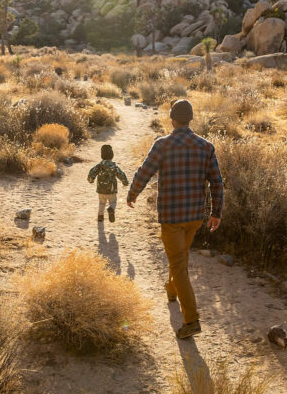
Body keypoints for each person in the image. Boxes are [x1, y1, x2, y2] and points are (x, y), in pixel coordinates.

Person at [127, 99, 223, 339]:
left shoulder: (163, 145)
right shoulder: (206, 146)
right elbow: (217, 183)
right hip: (194, 217)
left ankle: (191, 320)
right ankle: (171, 290)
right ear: (190, 119)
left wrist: (132, 193)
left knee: (179, 263)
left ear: (172, 119)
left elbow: (145, 171)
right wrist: (216, 213)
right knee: (180, 258)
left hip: (171, 217)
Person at [88, 144, 128, 223]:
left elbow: (92, 173)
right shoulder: (114, 166)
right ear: (112, 155)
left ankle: (100, 216)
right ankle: (111, 209)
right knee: (113, 202)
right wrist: (125, 182)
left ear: (102, 155)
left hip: (101, 189)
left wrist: (91, 180)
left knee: (102, 203)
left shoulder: (99, 165)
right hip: (111, 189)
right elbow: (121, 174)